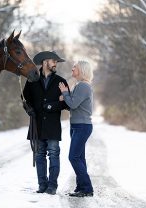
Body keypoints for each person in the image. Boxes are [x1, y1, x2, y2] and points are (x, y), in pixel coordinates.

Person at [23, 51, 69, 195]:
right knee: (39, 155)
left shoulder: (61, 81)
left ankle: (52, 186)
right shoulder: (32, 80)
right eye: (53, 61)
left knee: (54, 154)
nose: (55, 64)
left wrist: (51, 106)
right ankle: (42, 185)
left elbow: (66, 103)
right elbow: (25, 98)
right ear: (45, 62)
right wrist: (28, 109)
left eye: (56, 62)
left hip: (52, 126)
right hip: (36, 125)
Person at [58, 60, 94, 197]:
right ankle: (80, 187)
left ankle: (87, 188)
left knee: (73, 157)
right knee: (80, 157)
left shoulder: (83, 86)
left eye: (75, 67)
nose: (72, 69)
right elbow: (74, 105)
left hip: (82, 126)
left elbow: (72, 104)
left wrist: (66, 93)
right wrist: (65, 97)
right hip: (77, 125)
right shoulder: (79, 86)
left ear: (82, 70)